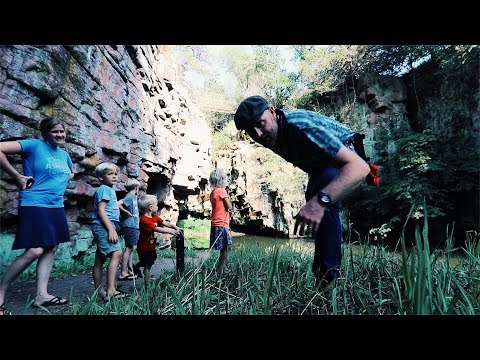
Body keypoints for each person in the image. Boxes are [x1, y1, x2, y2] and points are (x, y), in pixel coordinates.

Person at [234, 95, 370, 287]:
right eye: (251, 130)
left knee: (323, 201)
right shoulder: (271, 135)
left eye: (260, 123)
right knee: (315, 200)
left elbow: (360, 167)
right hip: (321, 165)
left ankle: (329, 281)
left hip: (348, 154)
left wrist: (320, 201)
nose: (258, 133)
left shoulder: (301, 126)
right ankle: (322, 274)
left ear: (272, 111)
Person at [0, 116, 74, 315]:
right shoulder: (33, 146)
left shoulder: (64, 155)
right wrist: (17, 176)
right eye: (55, 131)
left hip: (55, 205)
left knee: (51, 246)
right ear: (45, 133)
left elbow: (70, 172)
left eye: (62, 131)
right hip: (35, 202)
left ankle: (42, 295)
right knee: (35, 250)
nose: (60, 135)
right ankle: (0, 292)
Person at [91, 162, 125, 301]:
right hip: (104, 226)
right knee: (117, 253)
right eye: (110, 174)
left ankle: (100, 293)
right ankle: (111, 290)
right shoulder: (104, 189)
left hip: (107, 225)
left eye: (116, 173)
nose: (114, 176)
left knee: (99, 260)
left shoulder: (109, 190)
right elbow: (101, 210)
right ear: (100, 177)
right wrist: (111, 229)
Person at [132, 194, 181, 286]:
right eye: (156, 205)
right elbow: (157, 229)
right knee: (148, 265)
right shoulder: (144, 220)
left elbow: (164, 222)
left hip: (151, 246)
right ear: (151, 207)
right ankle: (147, 284)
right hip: (144, 247)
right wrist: (171, 231)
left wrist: (174, 226)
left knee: (148, 261)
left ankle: (136, 267)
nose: (157, 207)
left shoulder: (154, 216)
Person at [208, 168, 233, 270]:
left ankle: (222, 267)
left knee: (225, 247)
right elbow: (229, 207)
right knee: (227, 247)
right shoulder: (222, 191)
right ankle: (220, 269)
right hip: (222, 223)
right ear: (222, 180)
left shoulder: (213, 192)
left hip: (216, 223)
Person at [117, 178, 140, 281]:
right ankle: (123, 272)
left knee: (130, 248)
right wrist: (125, 212)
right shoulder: (129, 197)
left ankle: (130, 270)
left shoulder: (133, 197)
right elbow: (118, 204)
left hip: (133, 225)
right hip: (130, 225)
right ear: (136, 187)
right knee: (128, 248)